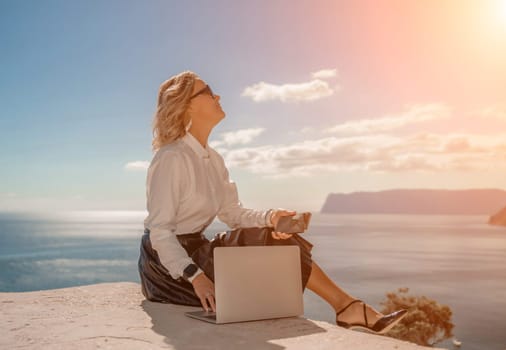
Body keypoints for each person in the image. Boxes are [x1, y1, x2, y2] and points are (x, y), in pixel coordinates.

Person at [137, 70, 408, 334]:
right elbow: (160, 231)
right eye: (207, 91)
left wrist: (272, 218)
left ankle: (347, 308)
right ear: (187, 106)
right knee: (265, 252)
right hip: (167, 268)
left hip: (198, 251)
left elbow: (232, 213)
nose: (217, 95)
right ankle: (349, 309)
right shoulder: (171, 158)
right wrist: (196, 277)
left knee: (279, 239)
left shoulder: (213, 159)